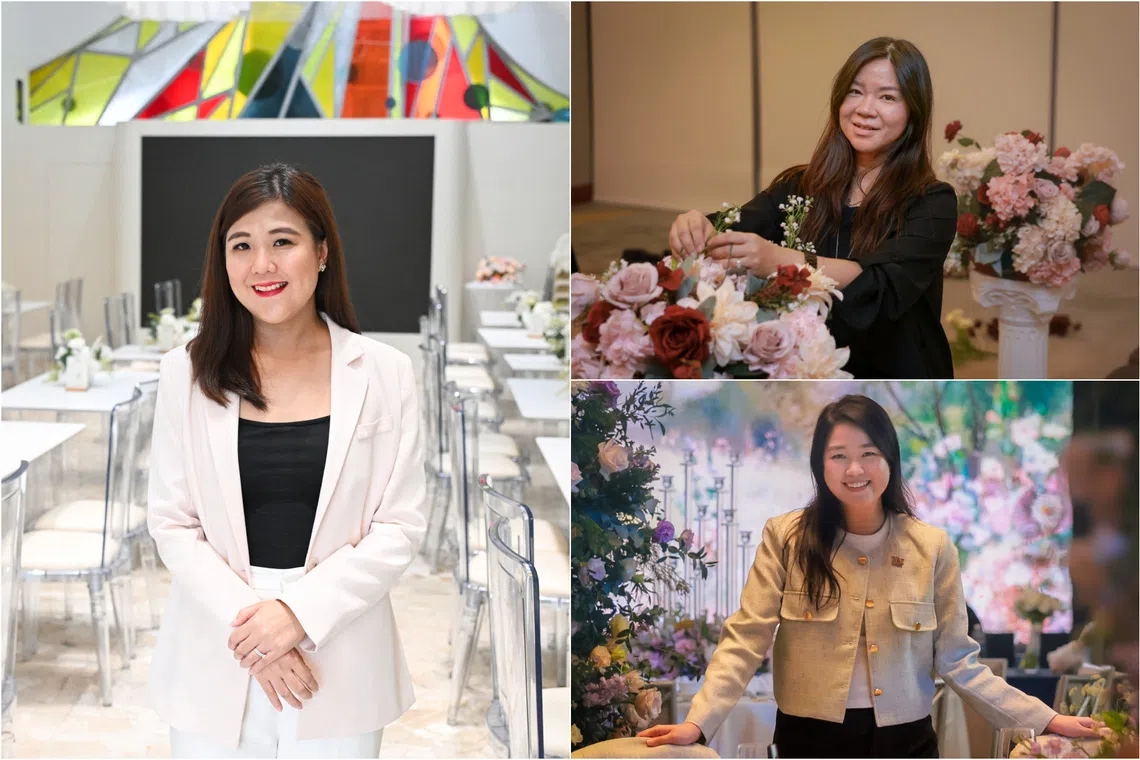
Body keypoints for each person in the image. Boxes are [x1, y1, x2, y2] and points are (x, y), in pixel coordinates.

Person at [639, 395, 1101, 757]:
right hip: (807, 740)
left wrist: (1046, 719)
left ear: (890, 460)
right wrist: (697, 722)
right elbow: (746, 638)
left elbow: (958, 661)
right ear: (820, 465)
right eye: (838, 455)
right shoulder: (786, 537)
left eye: (868, 453)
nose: (854, 469)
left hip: (906, 742)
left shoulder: (931, 546)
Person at [146, 163, 427, 757]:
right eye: (241, 245)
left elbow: (399, 526)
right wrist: (259, 630)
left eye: (282, 242)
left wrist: (299, 614)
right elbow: (172, 522)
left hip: (341, 646)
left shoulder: (384, 372)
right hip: (217, 642)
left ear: (321, 252)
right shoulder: (186, 372)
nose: (261, 265)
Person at [668, 38, 956, 379]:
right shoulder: (802, 185)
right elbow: (736, 225)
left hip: (895, 378)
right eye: (855, 92)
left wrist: (780, 260)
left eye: (887, 97)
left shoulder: (932, 202)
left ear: (914, 112)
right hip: (804, 371)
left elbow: (880, 284)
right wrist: (697, 224)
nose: (865, 109)